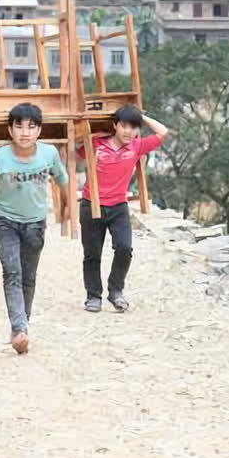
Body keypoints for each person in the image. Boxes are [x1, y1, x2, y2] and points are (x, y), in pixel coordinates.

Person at [0, 103, 70, 355]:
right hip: (6, 223)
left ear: (39, 130)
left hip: (35, 224)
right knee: (12, 273)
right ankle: (18, 329)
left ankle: (23, 326)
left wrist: (68, 207)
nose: (25, 132)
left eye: (31, 127)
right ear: (10, 130)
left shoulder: (49, 154)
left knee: (28, 277)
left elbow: (63, 179)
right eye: (19, 126)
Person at [77, 104, 169, 314]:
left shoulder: (137, 146)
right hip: (92, 204)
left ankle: (116, 291)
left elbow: (162, 132)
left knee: (124, 248)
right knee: (92, 254)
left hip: (118, 206)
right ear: (115, 126)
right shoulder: (96, 144)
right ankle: (93, 296)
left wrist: (142, 117)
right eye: (124, 126)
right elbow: (74, 150)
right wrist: (93, 132)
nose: (128, 131)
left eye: (133, 127)